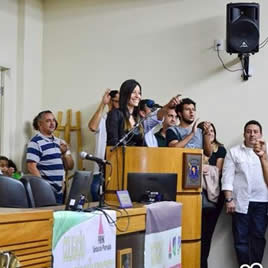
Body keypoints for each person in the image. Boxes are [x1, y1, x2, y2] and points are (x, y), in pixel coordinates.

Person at [222, 120, 268, 266]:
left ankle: (256, 265)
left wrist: (263, 157)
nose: (252, 134)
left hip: (262, 202)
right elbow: (227, 177)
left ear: (261, 134)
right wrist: (229, 199)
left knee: (258, 236)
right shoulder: (234, 152)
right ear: (244, 134)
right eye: (249, 131)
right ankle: (244, 265)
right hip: (240, 202)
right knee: (241, 239)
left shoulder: (265, 152)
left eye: (255, 131)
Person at [106, 79, 180, 146]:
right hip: (120, 159)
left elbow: (157, 117)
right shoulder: (115, 114)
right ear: (125, 94)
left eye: (139, 93)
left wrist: (168, 106)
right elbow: (112, 143)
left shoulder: (138, 118)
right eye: (134, 92)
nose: (137, 96)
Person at [26, 110, 74, 204]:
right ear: (40, 124)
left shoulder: (60, 142)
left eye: (54, 120)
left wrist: (65, 153)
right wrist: (44, 187)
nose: (52, 123)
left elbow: (70, 166)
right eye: (48, 121)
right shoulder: (35, 142)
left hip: (60, 191)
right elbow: (31, 166)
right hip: (45, 191)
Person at [198, 122, 226, 268]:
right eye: (206, 131)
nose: (210, 133)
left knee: (207, 234)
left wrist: (203, 167)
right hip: (195, 196)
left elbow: (218, 171)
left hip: (213, 198)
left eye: (212, 130)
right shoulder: (194, 147)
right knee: (194, 234)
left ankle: (203, 263)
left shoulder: (220, 149)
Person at [88, 89, 119, 201]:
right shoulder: (104, 119)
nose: (119, 105)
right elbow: (92, 127)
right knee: (95, 194)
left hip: (116, 169)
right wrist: (103, 104)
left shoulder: (124, 120)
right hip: (100, 169)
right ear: (110, 102)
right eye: (116, 101)